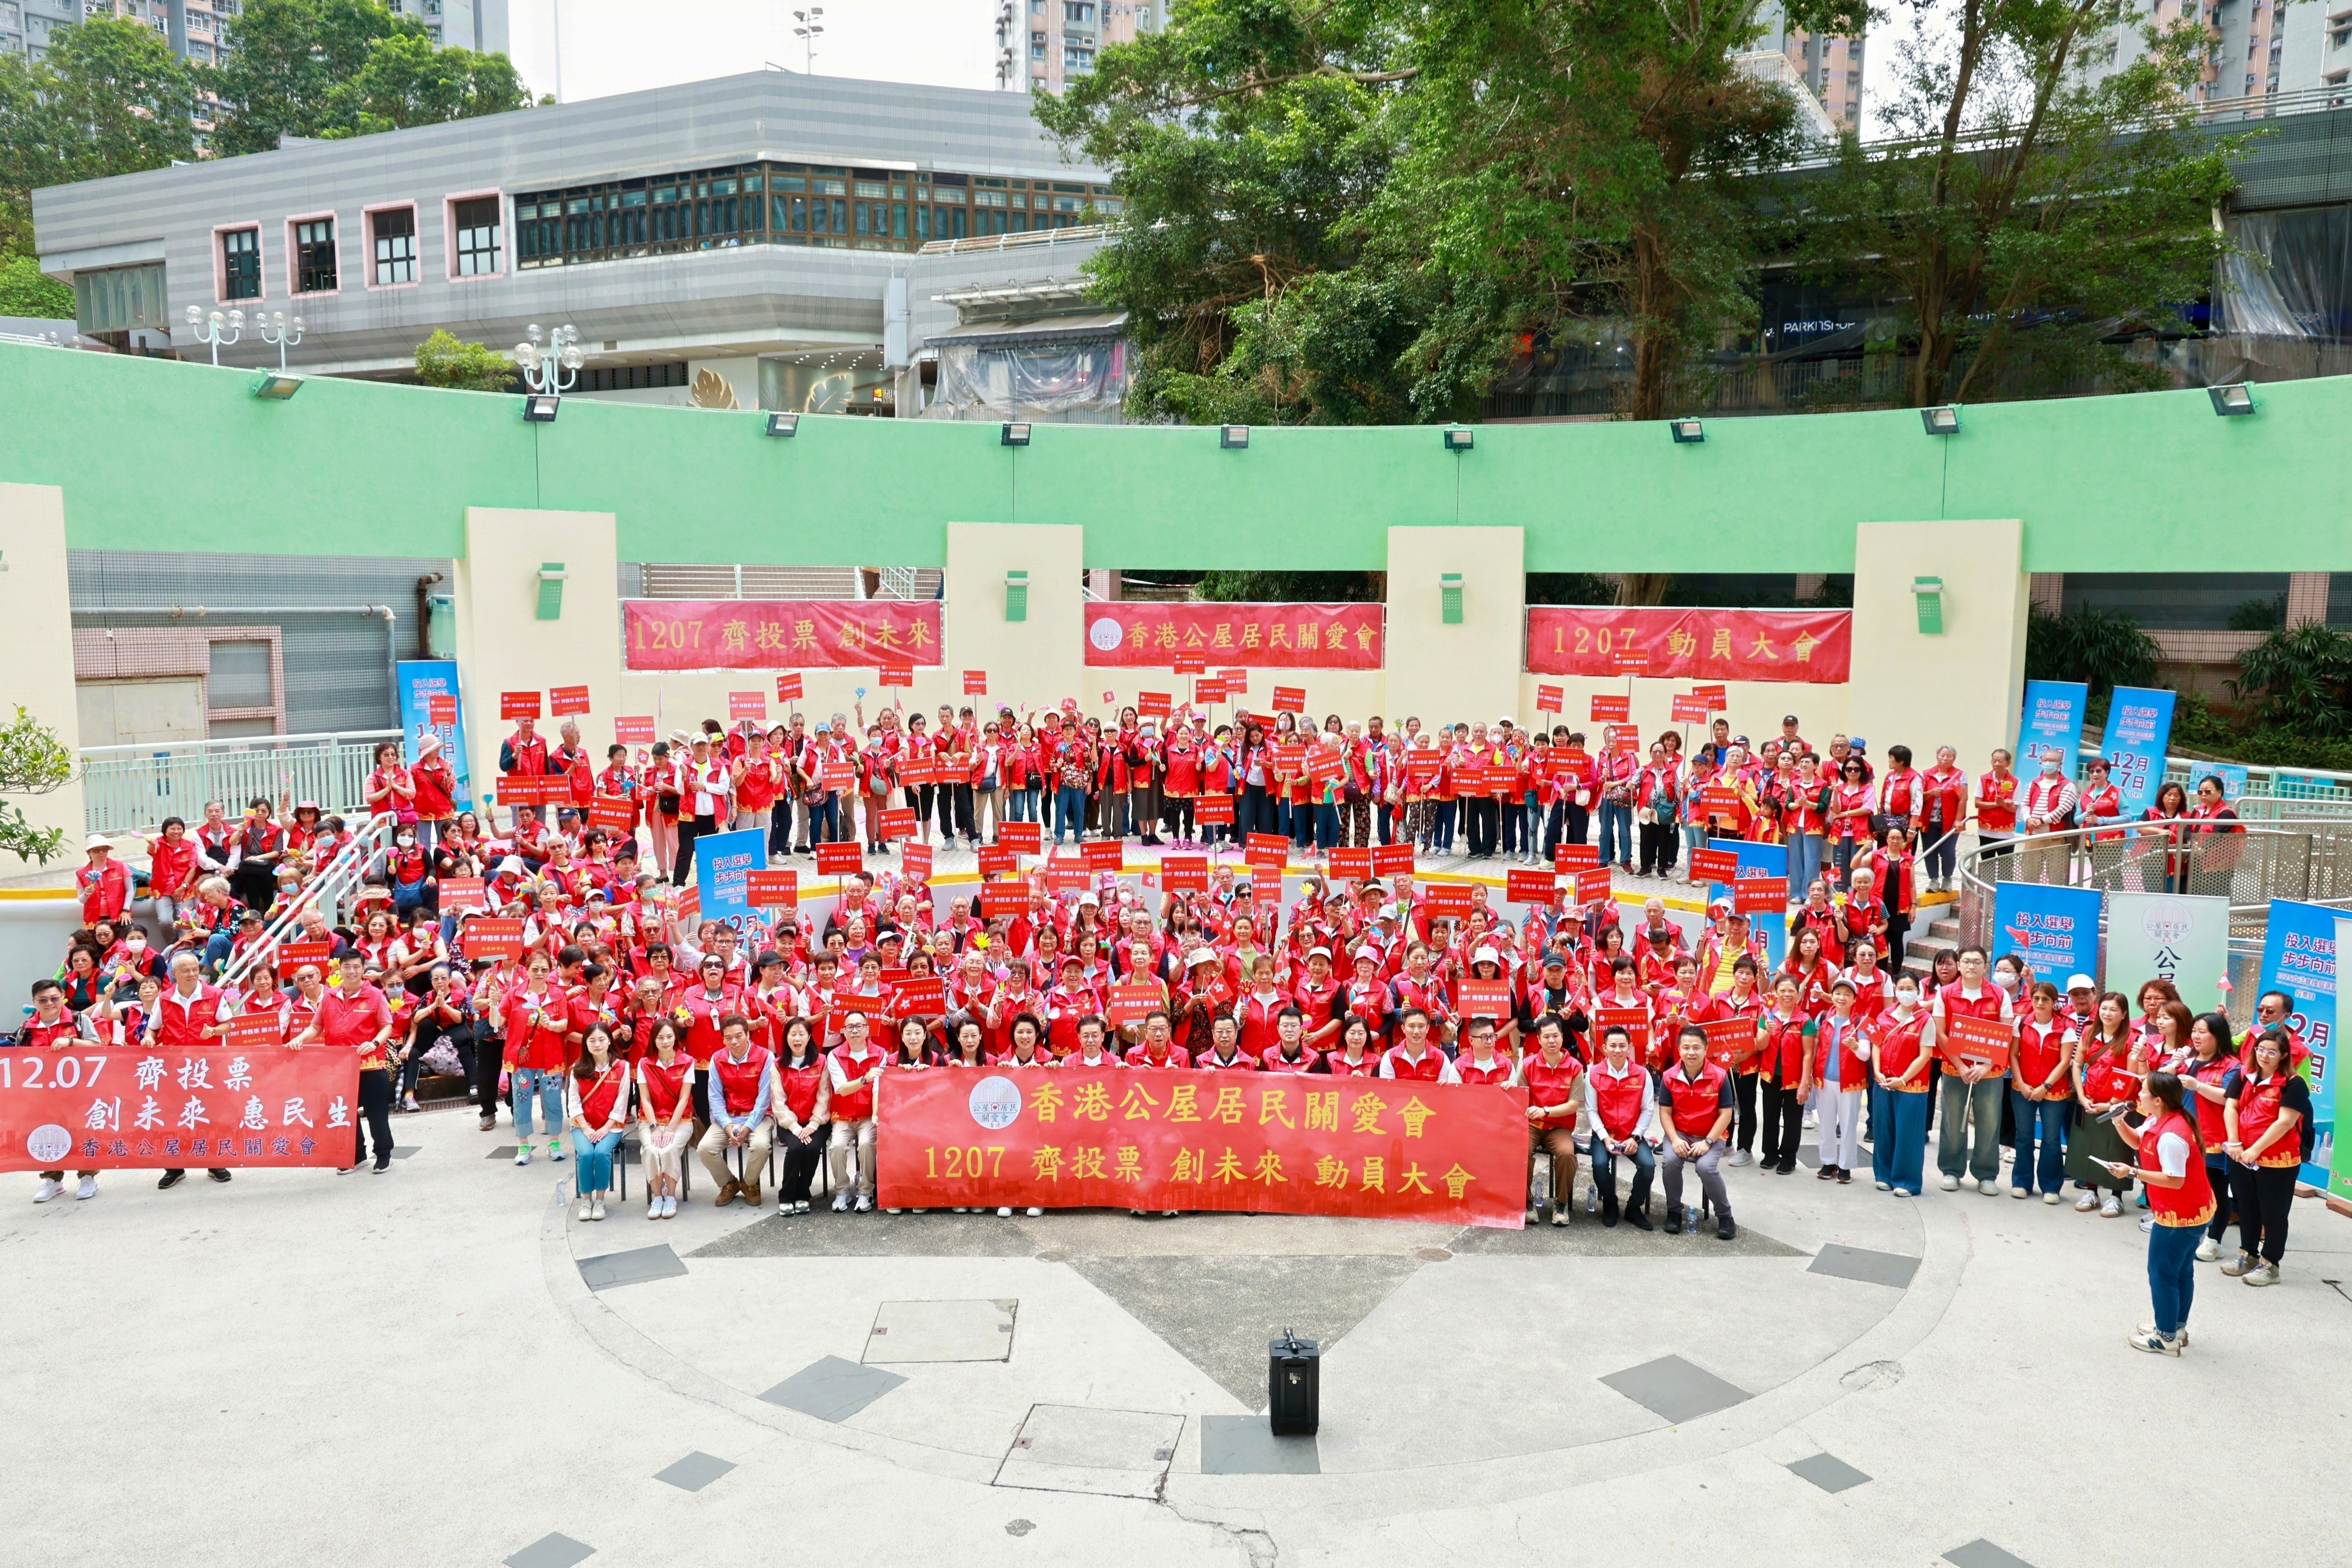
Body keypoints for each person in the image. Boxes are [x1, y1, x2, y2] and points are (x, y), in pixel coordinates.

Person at [2105, 1072, 2216, 1356]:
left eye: (2143, 1090)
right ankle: (2175, 1326)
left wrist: (2131, 1171)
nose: (2138, 1094)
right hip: (2192, 1210)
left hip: (2179, 1216)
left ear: (2157, 1099)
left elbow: (2174, 1179)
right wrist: (2118, 1119)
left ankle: (2165, 1337)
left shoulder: (2171, 1136)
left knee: (2163, 1273)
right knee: (2181, 1271)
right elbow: (2136, 1142)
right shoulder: (2161, 1120)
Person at [291, 960, 397, 1175]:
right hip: (339, 1068)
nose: (351, 971)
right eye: (347, 967)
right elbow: (316, 1026)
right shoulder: (329, 997)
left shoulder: (375, 995)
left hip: (370, 1065)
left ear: (362, 970)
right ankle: (357, 1156)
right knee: (346, 1113)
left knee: (376, 1113)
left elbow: (387, 1026)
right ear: (340, 970)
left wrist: (374, 1043)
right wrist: (300, 1039)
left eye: (356, 967)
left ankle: (384, 1154)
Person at [2222, 1027, 2307, 1287]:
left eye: (2272, 1051)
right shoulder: (2244, 1075)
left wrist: (2255, 1149)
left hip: (2277, 1161)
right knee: (2246, 1208)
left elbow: (2285, 1122)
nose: (2264, 1056)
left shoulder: (2293, 1083)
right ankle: (2247, 1255)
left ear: (2283, 1055)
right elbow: (2231, 1107)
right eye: (2260, 1049)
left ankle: (2270, 1264)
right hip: (2241, 1155)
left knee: (2273, 1214)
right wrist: (2235, 1142)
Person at [1933, 946, 2014, 1195]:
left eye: (1977, 962)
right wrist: (1960, 1065)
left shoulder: (2000, 995)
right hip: (1955, 1068)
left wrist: (1987, 1065)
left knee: (1989, 1122)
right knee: (1952, 1120)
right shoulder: (1945, 994)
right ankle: (1951, 1170)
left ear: (1985, 966)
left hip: (1990, 1071)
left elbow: (2006, 1034)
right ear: (1959, 965)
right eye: (1966, 961)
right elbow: (1941, 1034)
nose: (1971, 966)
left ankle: (1986, 1174)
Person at [21, 978, 101, 1203]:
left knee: (81, 1132)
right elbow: (20, 1063)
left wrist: (72, 1043)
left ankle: (88, 1177)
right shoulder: (26, 1029)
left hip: (79, 1090)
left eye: (55, 998)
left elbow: (98, 1047)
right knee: (45, 1133)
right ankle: (53, 1180)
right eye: (43, 1000)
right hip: (43, 1095)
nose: (49, 1004)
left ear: (62, 998)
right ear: (34, 1002)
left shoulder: (78, 1020)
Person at [1657, 1024, 1737, 1240]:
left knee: (1705, 1168)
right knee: (1671, 1162)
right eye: (1686, 1048)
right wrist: (1674, 1139)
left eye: (1696, 1048)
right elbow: (1665, 1113)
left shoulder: (1720, 1077)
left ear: (1705, 1049)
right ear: (1679, 1049)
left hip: (1711, 1134)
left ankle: (1725, 1216)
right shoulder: (1669, 1076)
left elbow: (1726, 1115)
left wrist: (1708, 1142)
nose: (1691, 1053)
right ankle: (1674, 1212)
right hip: (1680, 1133)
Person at [2067, 992, 2140, 1218]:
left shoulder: (2132, 1039)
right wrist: (2081, 1095)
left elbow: (2131, 1076)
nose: (2108, 1014)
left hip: (2116, 1107)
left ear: (2124, 1014)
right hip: (2089, 1100)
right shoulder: (2089, 1032)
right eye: (2105, 1008)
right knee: (2088, 1147)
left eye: (2114, 1010)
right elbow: (2077, 1064)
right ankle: (2091, 1192)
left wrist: (2111, 1104)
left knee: (2116, 1148)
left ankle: (2116, 1197)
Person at [499, 951, 573, 1167]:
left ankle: (554, 1143)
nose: (540, 973)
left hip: (551, 1058)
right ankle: (524, 1145)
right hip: (522, 1059)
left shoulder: (557, 995)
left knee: (552, 1100)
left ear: (550, 971)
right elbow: (499, 1021)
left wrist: (552, 1025)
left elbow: (565, 1024)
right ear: (527, 970)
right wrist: (494, 1005)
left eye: (544, 969)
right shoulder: (514, 994)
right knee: (522, 1100)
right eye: (535, 969)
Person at [1582, 1024, 1656, 1228]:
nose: (1617, 1050)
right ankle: (1610, 1204)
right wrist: (1605, 1138)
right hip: (1604, 1133)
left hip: (1632, 1133)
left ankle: (1634, 1208)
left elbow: (1648, 1110)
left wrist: (1636, 1137)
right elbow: (1592, 1111)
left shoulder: (1642, 1074)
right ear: (1604, 1048)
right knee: (1598, 1165)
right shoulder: (1593, 1074)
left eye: (1622, 1046)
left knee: (1648, 1166)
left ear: (1629, 1047)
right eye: (1612, 1046)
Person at [1867, 973, 1934, 1195]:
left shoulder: (1926, 1020)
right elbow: (1876, 1045)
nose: (1906, 992)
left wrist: (1904, 1079)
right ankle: (1884, 1175)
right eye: (1901, 988)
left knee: (1909, 1134)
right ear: (1895, 990)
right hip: (1884, 1083)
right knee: (1883, 1130)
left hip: (1911, 1087)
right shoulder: (1884, 1016)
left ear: (1919, 992)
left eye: (1910, 988)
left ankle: (1907, 1182)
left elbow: (1924, 1056)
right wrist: (1877, 1071)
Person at [2009, 981, 2076, 1203]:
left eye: (2045, 999)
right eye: (2036, 998)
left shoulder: (2065, 1027)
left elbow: (2065, 1061)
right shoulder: (2021, 1023)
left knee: (2050, 1139)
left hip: (2054, 1091)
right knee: (2024, 1136)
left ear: (2054, 1002)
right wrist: (2021, 1082)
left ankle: (2051, 1186)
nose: (2040, 1003)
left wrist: (2045, 1087)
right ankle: (2021, 1181)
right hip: (2023, 1088)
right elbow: (2013, 1055)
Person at [699, 1012, 774, 1207]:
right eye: (728, 1037)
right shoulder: (717, 1059)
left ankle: (749, 1184)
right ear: (722, 1038)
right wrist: (727, 1125)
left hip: (758, 1117)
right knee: (705, 1149)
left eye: (739, 1036)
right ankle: (729, 1184)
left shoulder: (766, 1057)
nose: (734, 1042)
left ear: (748, 1035)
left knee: (761, 1145)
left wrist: (747, 1128)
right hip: (729, 1118)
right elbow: (715, 1098)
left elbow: (764, 1098)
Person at [1519, 1014, 1582, 1225]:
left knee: (1566, 1154)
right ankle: (1526, 1202)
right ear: (1539, 1040)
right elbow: (1520, 1098)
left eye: (1556, 1036)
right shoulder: (1528, 1065)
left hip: (1560, 1126)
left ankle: (1561, 1205)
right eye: (1547, 1037)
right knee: (1520, 1150)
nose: (1552, 1041)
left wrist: (1546, 1111)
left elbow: (1573, 1105)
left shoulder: (1575, 1067)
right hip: (1533, 1125)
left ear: (1563, 1038)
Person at [567, 1023, 631, 1221]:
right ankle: (586, 1201)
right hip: (582, 1125)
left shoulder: (622, 1067)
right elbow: (574, 1103)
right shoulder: (577, 1069)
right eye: (592, 1040)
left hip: (611, 1126)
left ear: (610, 1040)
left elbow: (622, 1102)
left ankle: (600, 1200)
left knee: (602, 1153)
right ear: (585, 1044)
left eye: (602, 1039)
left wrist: (606, 1128)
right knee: (586, 1154)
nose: (597, 1044)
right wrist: (586, 1128)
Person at [636, 1018, 694, 1219]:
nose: (666, 1041)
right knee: (652, 1149)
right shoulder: (644, 1063)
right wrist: (654, 1128)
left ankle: (671, 1197)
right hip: (650, 1120)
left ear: (675, 1038)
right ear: (654, 1040)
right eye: (660, 1037)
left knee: (668, 1149)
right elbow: (645, 1099)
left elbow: (685, 1098)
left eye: (670, 1037)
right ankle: (657, 1197)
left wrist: (670, 1129)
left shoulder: (687, 1062)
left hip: (681, 1121)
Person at [772, 1017, 831, 1215]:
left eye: (802, 1034)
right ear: (786, 1038)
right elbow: (778, 1101)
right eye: (793, 1034)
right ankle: (787, 1196)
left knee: (813, 1149)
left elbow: (824, 1096)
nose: (797, 1039)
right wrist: (796, 1128)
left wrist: (813, 1124)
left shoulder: (821, 1062)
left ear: (809, 1037)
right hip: (789, 1123)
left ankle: (803, 1194)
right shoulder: (778, 1065)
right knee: (796, 1148)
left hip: (818, 1122)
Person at [1812, 979, 1868, 1184]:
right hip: (1824, 1080)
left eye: (1847, 994)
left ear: (1854, 999)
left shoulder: (1860, 1023)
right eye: (1838, 993)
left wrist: (1855, 1046)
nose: (1842, 998)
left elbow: (1865, 1055)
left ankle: (1845, 1166)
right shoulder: (1823, 1017)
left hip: (1850, 1082)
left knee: (1848, 1125)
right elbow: (1816, 1046)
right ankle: (1828, 1163)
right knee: (1825, 1124)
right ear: (1832, 996)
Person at [826, 1010, 883, 1213]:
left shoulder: (880, 1054)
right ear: (844, 1031)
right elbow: (841, 1089)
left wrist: (876, 1114)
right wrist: (864, 1079)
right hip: (842, 1116)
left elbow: (878, 1087)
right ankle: (842, 1191)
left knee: (868, 1143)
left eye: (860, 1026)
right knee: (837, 1146)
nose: (855, 1031)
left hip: (868, 1115)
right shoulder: (834, 1056)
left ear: (868, 1029)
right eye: (850, 1027)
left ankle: (866, 1191)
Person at [1755, 975, 1812, 1175]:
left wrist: (1805, 1083)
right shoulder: (1767, 1015)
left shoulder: (1805, 1020)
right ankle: (1770, 1154)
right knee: (1770, 1117)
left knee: (1793, 1120)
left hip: (1795, 1079)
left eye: (1791, 991)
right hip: (1770, 1076)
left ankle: (1789, 1158)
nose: (1787, 995)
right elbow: (1760, 1046)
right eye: (1782, 991)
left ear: (1799, 994)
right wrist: (1767, 1033)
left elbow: (1808, 1054)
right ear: (1775, 993)